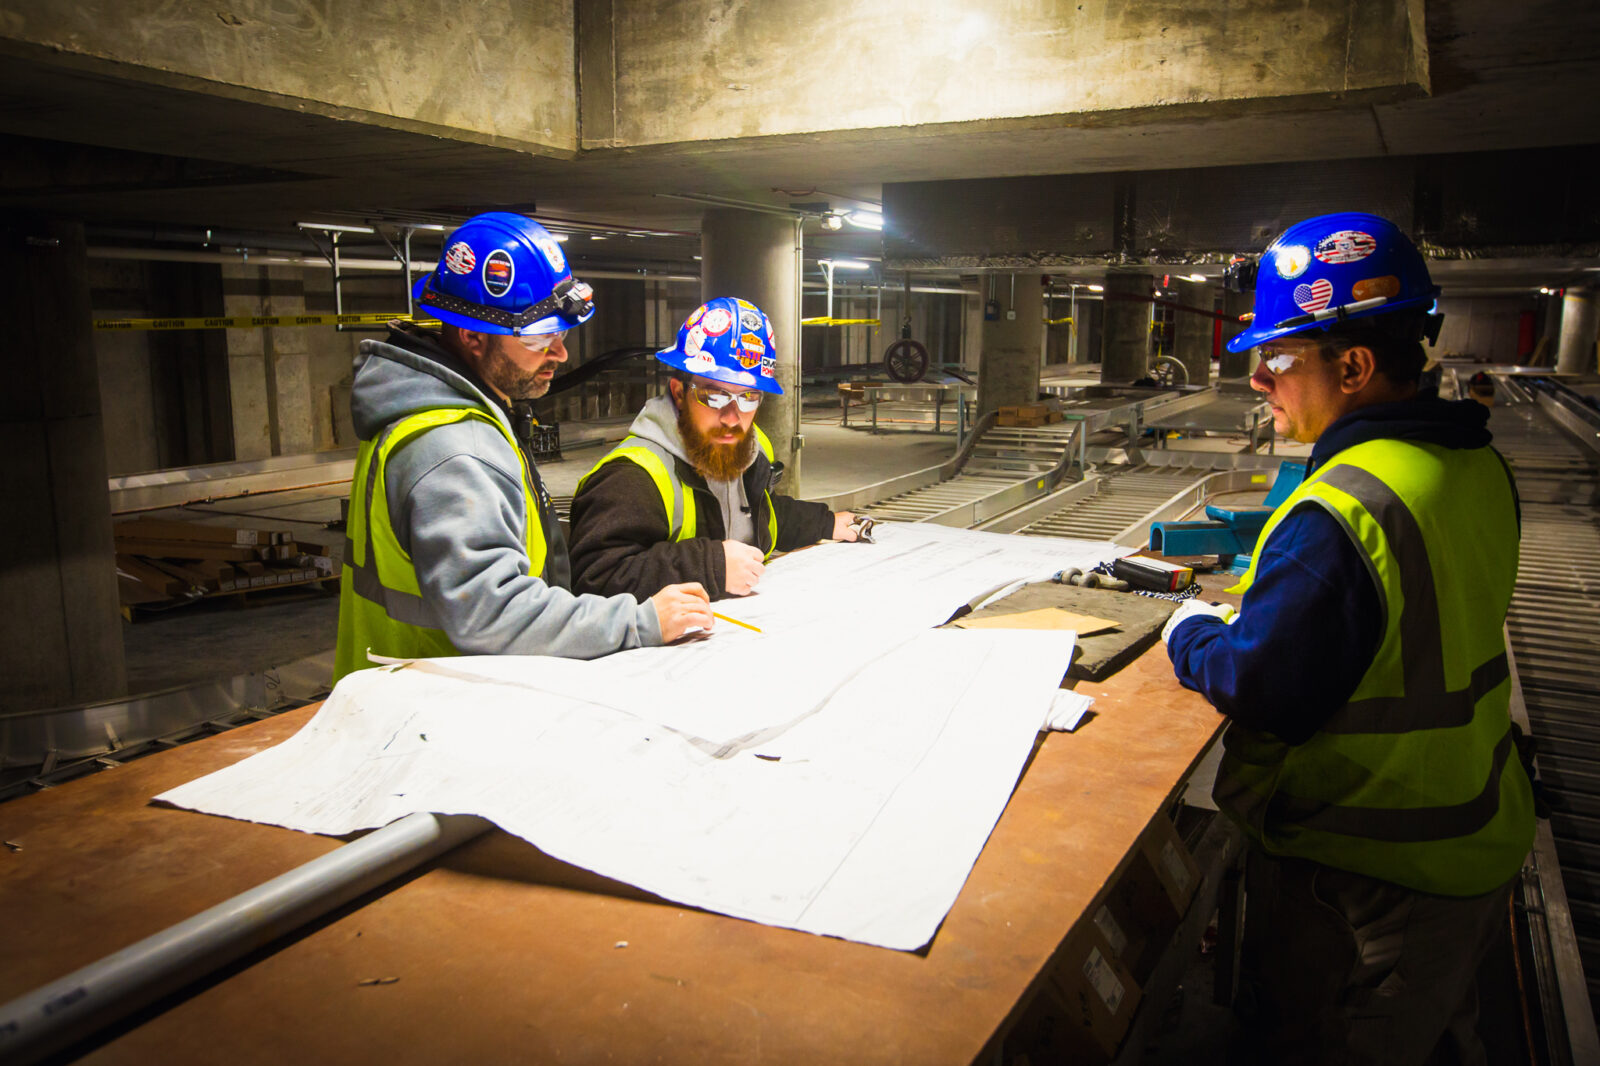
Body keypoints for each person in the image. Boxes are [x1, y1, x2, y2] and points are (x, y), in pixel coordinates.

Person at [1162, 212, 1534, 1064]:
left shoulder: (1345, 506)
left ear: (1355, 367)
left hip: (1369, 875)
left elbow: (1262, 687)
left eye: (1280, 358)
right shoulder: (1478, 465)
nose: (1260, 378)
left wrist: (1192, 634)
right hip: (1473, 839)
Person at [333, 212, 712, 682]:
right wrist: (638, 622)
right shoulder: (455, 449)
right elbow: (491, 611)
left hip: (415, 689)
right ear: (472, 336)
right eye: (539, 339)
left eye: (561, 334)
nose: (561, 354)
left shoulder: (444, 414)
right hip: (437, 697)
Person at [567, 297, 859, 600]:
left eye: (748, 398)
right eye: (714, 396)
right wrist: (712, 566)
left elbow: (762, 516)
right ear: (679, 393)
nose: (732, 418)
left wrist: (825, 523)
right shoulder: (631, 477)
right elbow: (595, 578)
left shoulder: (749, 449)